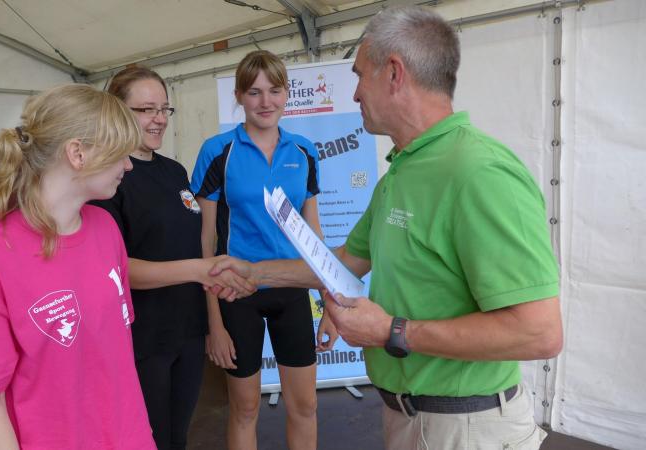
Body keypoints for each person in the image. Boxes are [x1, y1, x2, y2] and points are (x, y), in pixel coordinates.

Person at [209, 6, 563, 450]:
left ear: (394, 74)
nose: (356, 93)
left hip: (466, 428)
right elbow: (341, 262)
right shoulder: (403, 170)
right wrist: (253, 273)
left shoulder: (479, 172)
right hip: (410, 417)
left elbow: (539, 332)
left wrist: (392, 331)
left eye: (360, 76)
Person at [0, 84, 156, 449]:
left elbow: (112, 358)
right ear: (78, 153)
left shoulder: (106, 229)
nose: (128, 165)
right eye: (120, 153)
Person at [90, 66, 253, 450]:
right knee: (149, 439)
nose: (160, 118)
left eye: (164, 109)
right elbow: (116, 270)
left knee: (177, 437)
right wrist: (200, 270)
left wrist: (211, 321)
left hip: (187, 332)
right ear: (117, 111)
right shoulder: (108, 180)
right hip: (142, 338)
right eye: (147, 109)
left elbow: (194, 246)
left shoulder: (175, 171)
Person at [190, 50, 338, 450]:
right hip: (237, 294)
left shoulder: (304, 151)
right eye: (254, 92)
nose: (265, 101)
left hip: (292, 289)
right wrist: (214, 324)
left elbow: (314, 236)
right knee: (245, 409)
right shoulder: (217, 151)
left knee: (305, 406)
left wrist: (330, 304)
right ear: (239, 96)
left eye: (274, 90)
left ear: (287, 93)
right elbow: (204, 242)